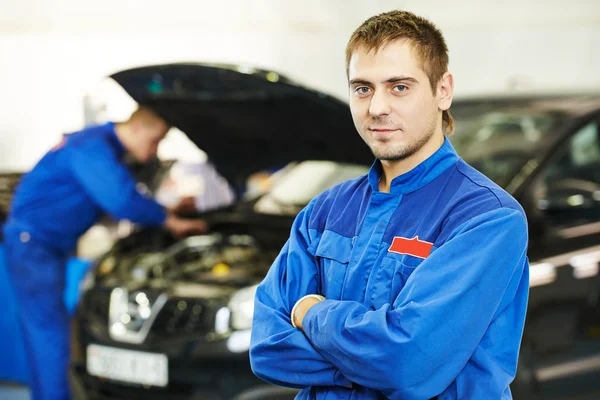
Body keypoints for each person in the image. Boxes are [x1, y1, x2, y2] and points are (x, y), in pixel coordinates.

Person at [250, 10, 529, 400]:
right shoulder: (323, 212)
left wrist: (311, 313)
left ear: (443, 90)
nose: (377, 107)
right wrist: (368, 361)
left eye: (399, 87)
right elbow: (266, 347)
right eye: (362, 88)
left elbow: (407, 361)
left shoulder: (487, 217)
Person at [3, 107, 208, 400]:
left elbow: (118, 199)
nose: (153, 152)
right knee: (50, 334)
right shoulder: (91, 146)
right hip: (35, 246)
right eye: (154, 141)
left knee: (42, 330)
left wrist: (167, 212)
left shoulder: (101, 146)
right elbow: (120, 199)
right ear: (136, 128)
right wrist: (169, 221)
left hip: (40, 245)